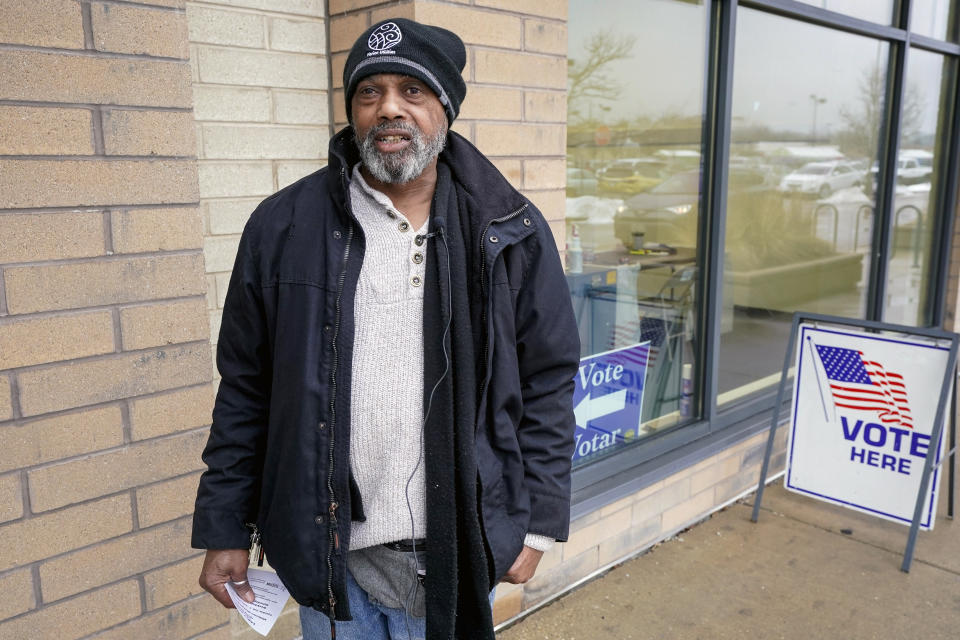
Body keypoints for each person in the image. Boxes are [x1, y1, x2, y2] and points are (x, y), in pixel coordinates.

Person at [192, 17, 579, 640]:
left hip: (463, 546)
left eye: (412, 92)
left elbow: (548, 382)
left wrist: (536, 525)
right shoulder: (281, 227)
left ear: (445, 109)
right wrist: (225, 526)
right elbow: (245, 388)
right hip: (331, 561)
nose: (389, 109)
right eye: (369, 93)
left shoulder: (509, 229)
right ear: (352, 111)